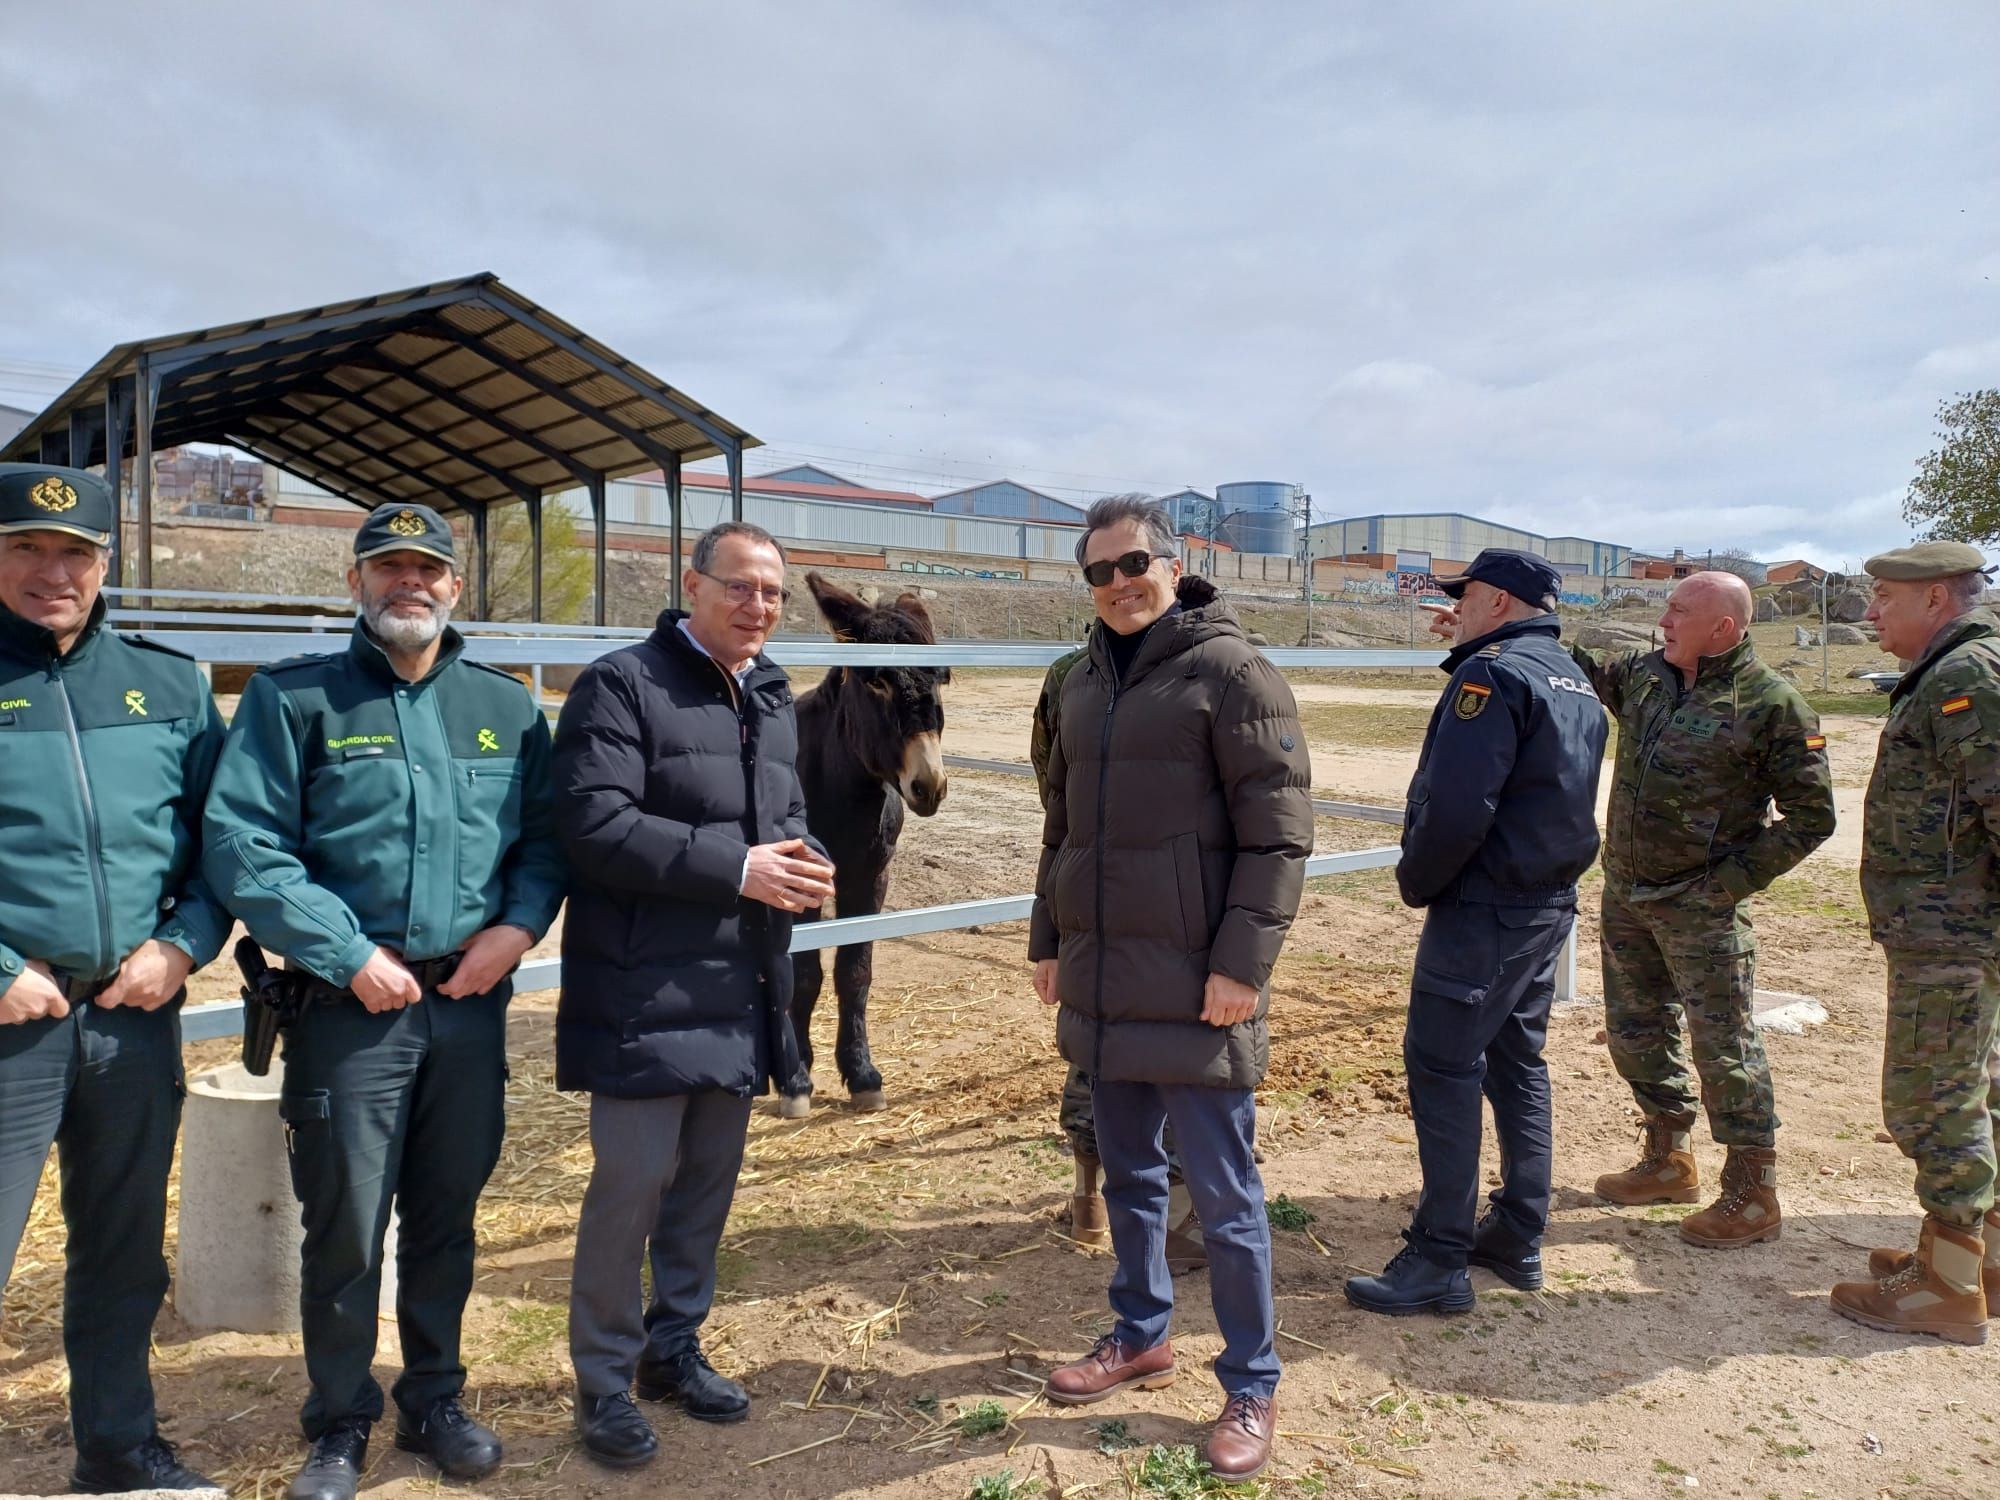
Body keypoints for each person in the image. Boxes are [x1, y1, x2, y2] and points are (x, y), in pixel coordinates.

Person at [203, 503, 564, 1500]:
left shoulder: (502, 704)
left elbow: (543, 841)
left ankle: (434, 1398)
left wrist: (517, 930)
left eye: (427, 569)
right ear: (355, 582)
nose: (409, 583)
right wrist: (347, 951)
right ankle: (338, 1418)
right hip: (345, 1007)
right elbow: (243, 845)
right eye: (387, 567)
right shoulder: (294, 700)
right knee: (350, 1221)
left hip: (467, 1001)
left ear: (456, 586)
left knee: (446, 1210)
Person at [1030, 495, 1312, 1483]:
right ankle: (1139, 1331)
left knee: (1226, 1202)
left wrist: (1241, 965)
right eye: (1099, 571)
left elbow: (1277, 834)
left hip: (1199, 985)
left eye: (1133, 562)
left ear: (1174, 563)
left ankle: (1249, 1380)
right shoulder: (1080, 685)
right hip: (1102, 980)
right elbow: (1060, 828)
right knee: (1129, 1179)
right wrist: (1045, 939)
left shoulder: (1231, 672)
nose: (1118, 583)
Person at [554, 521, 833, 1468]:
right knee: (631, 1186)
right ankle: (601, 1378)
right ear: (692, 584)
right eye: (741, 587)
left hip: (738, 980)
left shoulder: (769, 693)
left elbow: (784, 816)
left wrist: (804, 860)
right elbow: (593, 825)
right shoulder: (623, 683)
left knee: (705, 1188)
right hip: (643, 984)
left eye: (772, 594)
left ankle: (673, 1348)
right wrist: (739, 868)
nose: (759, 606)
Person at [0, 464, 230, 1493]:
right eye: (26, 548)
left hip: (133, 1014)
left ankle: (118, 1448)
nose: (55, 571)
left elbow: (222, 846)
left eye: (75, 554)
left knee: (125, 1248)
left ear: (106, 564)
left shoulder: (171, 686)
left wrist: (178, 945)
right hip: (11, 1019)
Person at [1346, 548, 1606, 1317]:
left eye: (1466, 597)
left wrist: (1417, 879)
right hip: (1544, 903)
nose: (1454, 607)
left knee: (1443, 1067)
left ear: (1496, 601)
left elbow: (1460, 808)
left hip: (1486, 909)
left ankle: (1439, 1255)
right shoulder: (1569, 674)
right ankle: (1518, 1232)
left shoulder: (1490, 675)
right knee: (1516, 1062)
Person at [1571, 573, 1834, 1244]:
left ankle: (1752, 1195)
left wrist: (1727, 885)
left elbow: (1812, 817)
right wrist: (1495, 630)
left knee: (1726, 1047)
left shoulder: (1773, 704)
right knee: (1636, 1029)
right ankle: (1668, 1160)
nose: (1663, 618)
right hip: (1629, 893)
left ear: (1723, 626)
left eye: (1678, 609)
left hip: (1703, 908)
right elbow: (1575, 665)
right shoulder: (1647, 677)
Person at [1829, 541, 2000, 1343]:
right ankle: (1972, 1258)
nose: (1870, 612)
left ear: (1935, 598)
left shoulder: (1969, 677)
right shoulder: (1959, 667)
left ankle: (1947, 1287)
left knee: (1934, 1099)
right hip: (1953, 928)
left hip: (1953, 932)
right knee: (1975, 1087)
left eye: (1884, 598)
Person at [1031, 646, 1204, 1270]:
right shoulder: (1209, 668)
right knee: (1178, 1054)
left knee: (1096, 1046)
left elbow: (1050, 780)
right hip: (1173, 898)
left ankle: (1088, 1204)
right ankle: (1179, 1222)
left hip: (1089, 877)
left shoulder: (1069, 674)